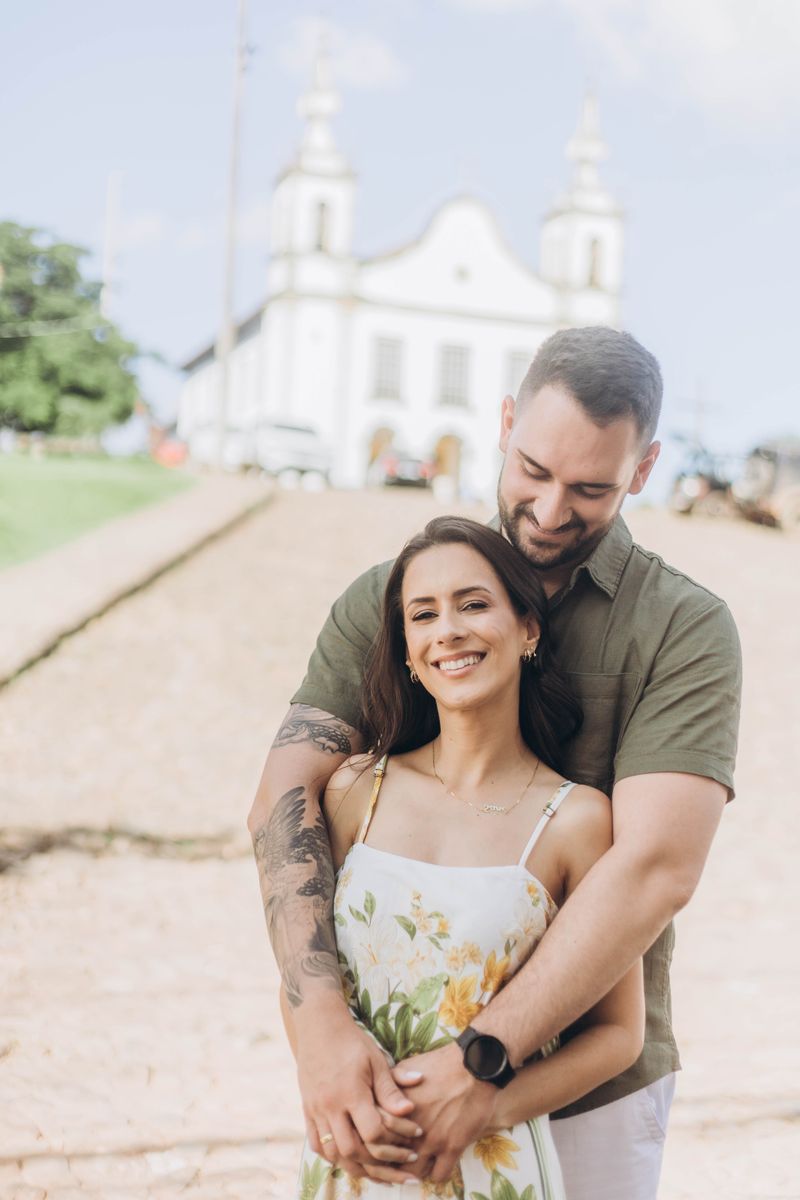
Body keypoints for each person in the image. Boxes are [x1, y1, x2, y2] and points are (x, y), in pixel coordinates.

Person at [249, 326, 742, 1199]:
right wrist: (319, 1028)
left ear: (643, 468)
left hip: (591, 1097)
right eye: (534, 470)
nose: (550, 511)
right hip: (379, 1086)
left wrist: (483, 1065)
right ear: (506, 424)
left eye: (590, 488)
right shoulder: (388, 598)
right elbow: (287, 799)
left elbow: (657, 867)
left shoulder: (682, 628)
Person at [281, 516, 646, 1198]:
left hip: (492, 1168)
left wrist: (487, 1106)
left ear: (528, 629)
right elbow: (306, 972)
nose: (447, 630)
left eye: (473, 604)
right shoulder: (357, 790)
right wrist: (325, 1077)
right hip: (352, 1163)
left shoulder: (576, 820)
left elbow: (619, 1035)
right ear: (409, 653)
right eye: (424, 615)